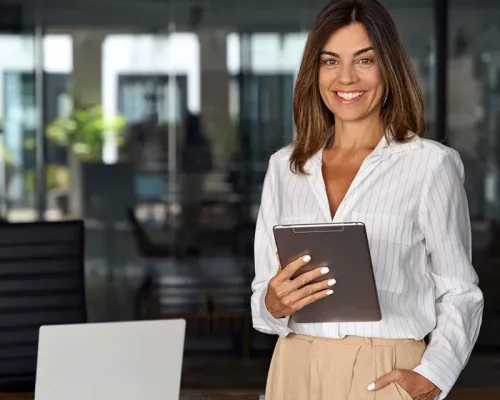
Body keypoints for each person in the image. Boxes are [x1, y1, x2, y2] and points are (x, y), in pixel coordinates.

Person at [250, 1, 484, 400]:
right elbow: (262, 295)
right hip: (294, 368)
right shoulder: (284, 168)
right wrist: (272, 303)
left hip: (386, 371)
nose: (345, 77)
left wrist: (435, 373)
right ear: (314, 72)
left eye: (365, 60)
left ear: (389, 69)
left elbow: (460, 291)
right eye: (330, 61)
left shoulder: (432, 165)